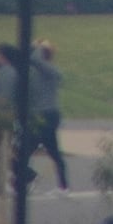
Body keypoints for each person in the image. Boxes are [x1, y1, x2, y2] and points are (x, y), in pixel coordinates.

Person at [26, 40, 72, 189]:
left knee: (28, 151)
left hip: (47, 116)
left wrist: (37, 47)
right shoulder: (34, 73)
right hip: (39, 117)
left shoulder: (51, 71)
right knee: (52, 152)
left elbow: (34, 59)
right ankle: (63, 186)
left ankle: (29, 178)